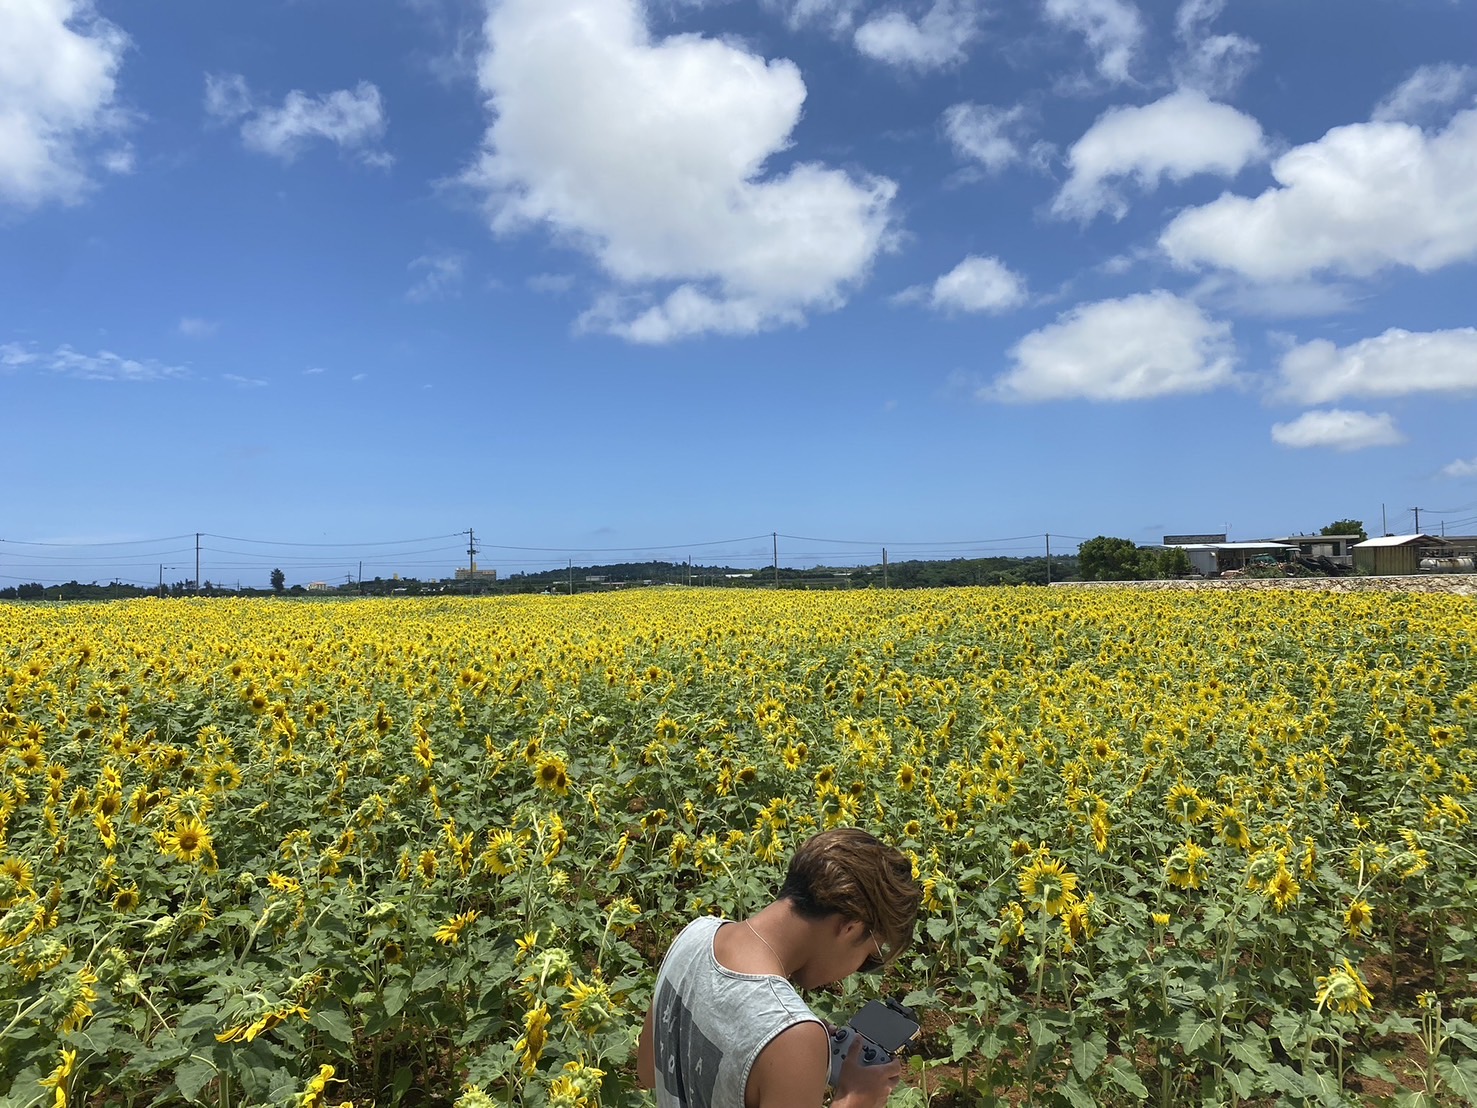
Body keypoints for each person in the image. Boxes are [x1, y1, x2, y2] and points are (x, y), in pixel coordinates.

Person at [637, 827, 922, 1108]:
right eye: (869, 958)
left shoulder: (694, 935)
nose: (858, 968)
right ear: (849, 927)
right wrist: (854, 1100)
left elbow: (648, 1071)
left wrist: (787, 1058)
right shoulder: (792, 1038)